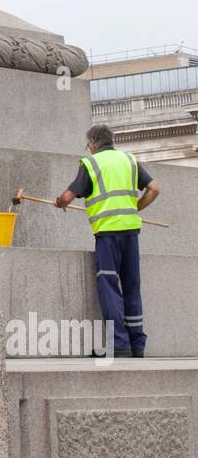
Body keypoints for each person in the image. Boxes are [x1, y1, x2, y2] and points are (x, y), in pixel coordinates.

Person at [55, 123, 160, 357]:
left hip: (108, 235)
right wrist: (134, 208)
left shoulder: (91, 163)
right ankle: (137, 344)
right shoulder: (129, 160)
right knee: (132, 286)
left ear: (92, 144)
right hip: (131, 232)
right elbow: (154, 188)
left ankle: (119, 344)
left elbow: (68, 196)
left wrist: (60, 203)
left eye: (87, 145)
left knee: (109, 288)